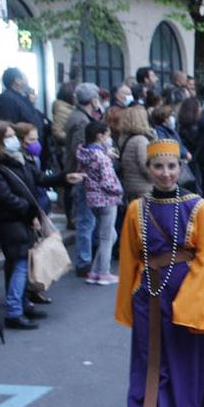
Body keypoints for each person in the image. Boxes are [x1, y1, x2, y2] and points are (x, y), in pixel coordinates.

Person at [114, 140, 204, 407]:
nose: (165, 173)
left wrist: (191, 305)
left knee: (182, 370)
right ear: (149, 170)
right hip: (150, 296)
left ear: (180, 169)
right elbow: (130, 258)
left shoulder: (199, 208)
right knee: (149, 374)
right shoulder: (136, 209)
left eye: (171, 167)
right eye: (158, 167)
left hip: (188, 299)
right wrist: (132, 301)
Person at [0, 121, 54, 330]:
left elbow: (36, 179)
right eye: (8, 136)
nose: (13, 140)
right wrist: (30, 210)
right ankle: (14, 311)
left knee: (19, 264)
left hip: (20, 218)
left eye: (13, 135)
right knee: (19, 265)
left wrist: (64, 178)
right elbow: (4, 197)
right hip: (11, 221)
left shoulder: (14, 160)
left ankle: (21, 305)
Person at [75, 120, 124, 285]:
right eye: (108, 134)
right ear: (100, 136)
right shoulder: (102, 157)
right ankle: (104, 272)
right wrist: (119, 190)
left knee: (108, 235)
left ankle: (95, 271)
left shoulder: (85, 153)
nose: (109, 138)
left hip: (92, 198)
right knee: (106, 236)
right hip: (107, 198)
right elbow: (109, 181)